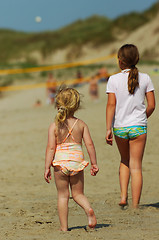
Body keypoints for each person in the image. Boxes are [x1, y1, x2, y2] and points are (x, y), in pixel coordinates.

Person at [105, 44, 155, 208]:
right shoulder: (146, 78)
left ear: (120, 61)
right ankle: (135, 205)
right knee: (136, 166)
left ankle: (123, 197)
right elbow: (152, 105)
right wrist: (142, 118)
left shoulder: (113, 79)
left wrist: (108, 128)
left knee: (124, 160)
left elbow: (111, 105)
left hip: (120, 127)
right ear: (137, 59)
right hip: (138, 127)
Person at [44, 87, 99, 231]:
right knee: (78, 194)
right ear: (76, 106)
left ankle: (64, 228)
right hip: (77, 163)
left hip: (60, 164)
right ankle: (88, 210)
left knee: (63, 196)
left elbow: (50, 148)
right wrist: (94, 163)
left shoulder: (54, 126)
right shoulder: (81, 124)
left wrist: (46, 167)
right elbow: (89, 144)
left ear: (58, 105)